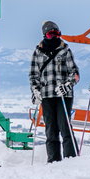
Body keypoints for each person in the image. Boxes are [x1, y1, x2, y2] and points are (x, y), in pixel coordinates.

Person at [29, 21, 80, 162]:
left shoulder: (65, 51)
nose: (55, 37)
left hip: (63, 95)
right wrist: (35, 91)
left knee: (65, 126)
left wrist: (67, 85)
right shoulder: (38, 53)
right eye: (52, 34)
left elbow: (75, 73)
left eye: (57, 34)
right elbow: (33, 76)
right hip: (46, 95)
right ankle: (53, 160)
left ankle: (71, 159)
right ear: (45, 35)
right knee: (50, 129)